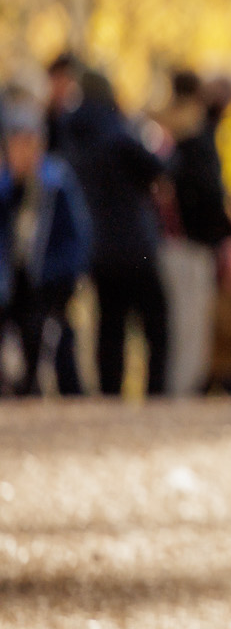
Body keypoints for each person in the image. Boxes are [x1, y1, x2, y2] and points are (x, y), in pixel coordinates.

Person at [64, 70, 172, 397]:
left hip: (96, 244)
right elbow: (156, 169)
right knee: (155, 321)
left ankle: (110, 393)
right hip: (134, 243)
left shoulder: (71, 131)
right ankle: (155, 393)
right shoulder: (115, 130)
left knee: (110, 324)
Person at [0, 98, 94, 397]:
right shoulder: (4, 189)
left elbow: (77, 239)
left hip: (47, 283)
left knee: (51, 342)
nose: (22, 152)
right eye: (16, 144)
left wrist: (61, 276)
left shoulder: (56, 184)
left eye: (29, 143)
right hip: (10, 282)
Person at [162, 70, 231, 397]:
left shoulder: (180, 144)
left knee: (189, 332)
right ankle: (179, 399)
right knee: (187, 331)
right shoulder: (190, 144)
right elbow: (208, 198)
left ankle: (182, 395)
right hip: (187, 247)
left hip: (186, 246)